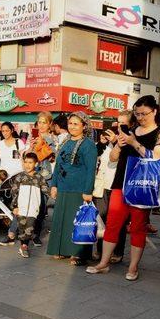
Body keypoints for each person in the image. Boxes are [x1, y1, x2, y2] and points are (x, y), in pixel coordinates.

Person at [87, 95, 160, 280]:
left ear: (154, 111)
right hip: (121, 182)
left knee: (138, 226)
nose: (140, 117)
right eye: (137, 113)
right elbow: (113, 158)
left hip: (143, 186)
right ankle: (103, 263)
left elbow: (157, 158)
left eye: (144, 113)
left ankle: (133, 267)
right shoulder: (130, 130)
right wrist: (118, 145)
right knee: (113, 223)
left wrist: (134, 143)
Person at [46, 112, 97, 265]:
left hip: (79, 189)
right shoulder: (65, 142)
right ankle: (61, 250)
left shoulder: (88, 145)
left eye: (76, 124)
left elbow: (90, 170)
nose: (72, 127)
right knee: (62, 219)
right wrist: (54, 184)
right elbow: (58, 166)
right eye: (70, 123)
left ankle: (78, 254)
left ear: (84, 126)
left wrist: (88, 191)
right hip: (63, 187)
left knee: (77, 222)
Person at [93, 110, 133, 263]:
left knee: (117, 221)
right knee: (101, 219)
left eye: (123, 123)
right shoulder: (108, 142)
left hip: (118, 185)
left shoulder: (128, 141)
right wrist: (104, 142)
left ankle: (117, 251)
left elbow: (118, 160)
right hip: (102, 185)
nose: (119, 126)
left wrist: (118, 142)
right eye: (118, 122)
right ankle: (100, 249)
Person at [10, 153, 49, 258]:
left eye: (30, 163)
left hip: (33, 208)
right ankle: (23, 246)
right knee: (22, 227)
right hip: (21, 207)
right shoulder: (20, 177)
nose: (27, 165)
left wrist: (55, 194)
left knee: (30, 228)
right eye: (26, 162)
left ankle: (24, 246)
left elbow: (46, 190)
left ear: (36, 164)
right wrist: (14, 206)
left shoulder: (39, 177)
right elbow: (14, 192)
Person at [28, 111, 56, 247]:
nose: (41, 125)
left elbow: (52, 157)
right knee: (30, 205)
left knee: (41, 206)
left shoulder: (52, 139)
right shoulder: (33, 137)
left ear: (50, 124)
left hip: (45, 176)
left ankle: (36, 234)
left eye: (44, 122)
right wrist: (31, 146)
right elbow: (28, 157)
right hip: (32, 174)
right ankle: (26, 232)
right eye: (39, 122)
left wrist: (43, 144)